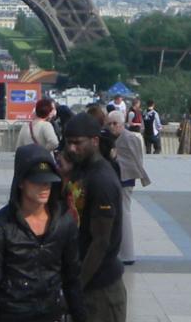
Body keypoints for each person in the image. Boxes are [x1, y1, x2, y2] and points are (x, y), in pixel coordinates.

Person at [0, 144, 78, 322]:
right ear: (21, 182)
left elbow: (73, 279)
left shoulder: (64, 222)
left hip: (52, 314)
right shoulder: (0, 226)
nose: (44, 187)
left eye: (48, 181)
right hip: (13, 314)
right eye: (37, 182)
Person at [60, 113, 125, 322]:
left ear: (94, 141)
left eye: (78, 143)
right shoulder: (81, 170)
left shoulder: (101, 180)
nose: (71, 149)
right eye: (68, 143)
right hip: (83, 283)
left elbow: (101, 242)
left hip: (100, 290)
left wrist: (76, 288)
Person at [107, 112, 150, 262]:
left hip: (126, 179)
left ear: (122, 124)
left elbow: (136, 160)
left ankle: (127, 254)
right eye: (110, 124)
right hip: (117, 178)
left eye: (115, 123)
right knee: (120, 214)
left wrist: (116, 158)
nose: (112, 127)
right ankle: (121, 252)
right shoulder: (114, 138)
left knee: (124, 214)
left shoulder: (130, 138)